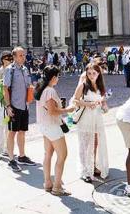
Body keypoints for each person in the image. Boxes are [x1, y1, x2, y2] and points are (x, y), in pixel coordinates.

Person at [36, 65, 76, 196]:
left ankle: (48, 182)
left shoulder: (42, 89)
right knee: (62, 155)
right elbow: (53, 111)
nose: (58, 79)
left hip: (45, 126)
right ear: (53, 77)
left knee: (48, 154)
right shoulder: (50, 91)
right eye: (58, 76)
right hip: (52, 126)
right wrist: (67, 110)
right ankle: (57, 186)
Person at [72, 63, 109, 182]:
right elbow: (75, 100)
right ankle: (85, 170)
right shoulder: (83, 85)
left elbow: (102, 101)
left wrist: (104, 106)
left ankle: (92, 165)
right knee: (85, 144)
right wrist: (87, 104)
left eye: (94, 73)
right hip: (85, 118)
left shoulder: (100, 86)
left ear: (99, 73)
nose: (92, 75)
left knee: (95, 142)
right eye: (89, 73)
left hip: (97, 118)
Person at [3, 46, 36, 172]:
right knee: (12, 132)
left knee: (22, 131)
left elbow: (28, 85)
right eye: (21, 55)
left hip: (24, 105)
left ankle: (22, 156)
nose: (24, 57)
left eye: (24, 55)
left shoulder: (25, 69)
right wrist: (8, 106)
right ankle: (11, 159)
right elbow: (6, 88)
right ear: (15, 57)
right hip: (14, 106)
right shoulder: (9, 70)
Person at [0, 51, 12, 160]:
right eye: (9, 58)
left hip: (11, 104)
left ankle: (7, 148)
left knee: (9, 126)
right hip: (2, 105)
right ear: (3, 60)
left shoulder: (13, 71)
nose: (10, 61)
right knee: (0, 125)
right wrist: (5, 103)